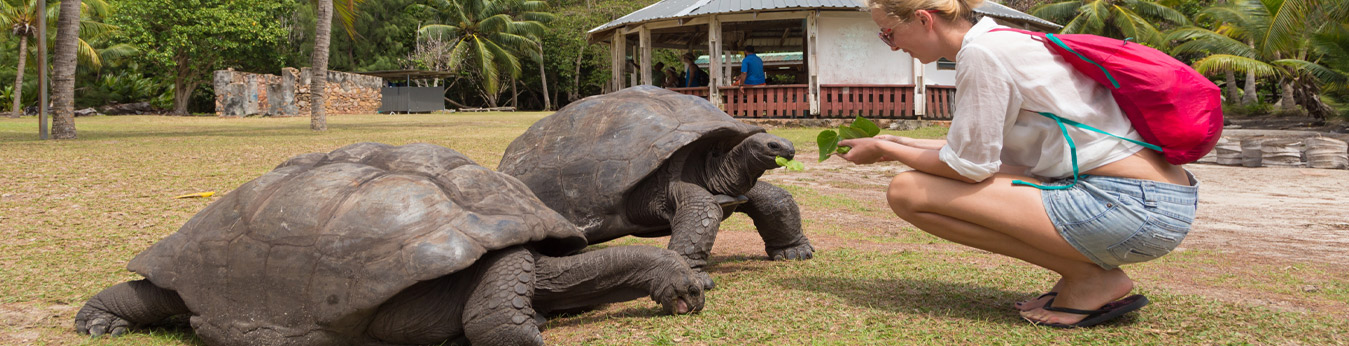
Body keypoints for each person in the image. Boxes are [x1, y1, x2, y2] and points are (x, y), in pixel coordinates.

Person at [839, 0, 1199, 328]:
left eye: (888, 33)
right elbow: (983, 154)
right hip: (1155, 203)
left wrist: (893, 152)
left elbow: (968, 167)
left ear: (923, 19)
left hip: (1127, 206)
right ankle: (1083, 275)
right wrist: (894, 142)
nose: (893, 45)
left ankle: (1089, 277)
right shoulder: (1005, 41)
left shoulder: (983, 54)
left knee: (907, 190)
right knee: (916, 182)